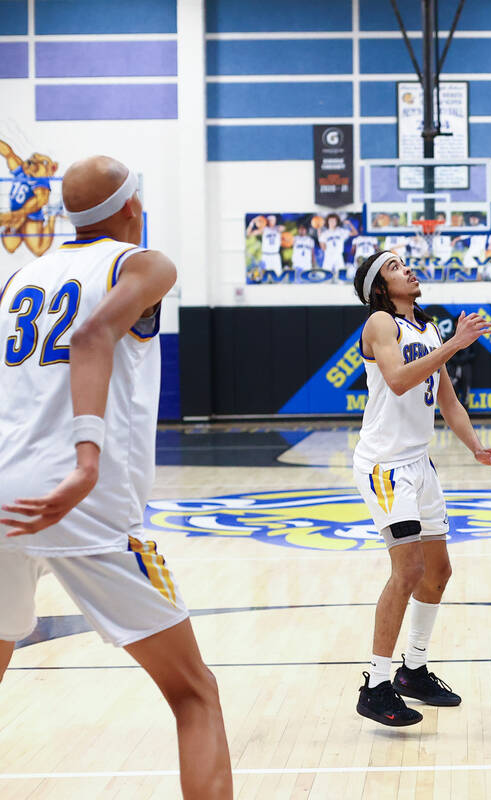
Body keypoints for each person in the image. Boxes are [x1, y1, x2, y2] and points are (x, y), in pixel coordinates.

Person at [0, 156, 232, 798]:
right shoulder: (143, 264)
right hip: (82, 500)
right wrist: (86, 458)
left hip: (3, 491)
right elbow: (93, 333)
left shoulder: (20, 276)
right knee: (194, 694)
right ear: (133, 206)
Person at [351, 250, 491, 726]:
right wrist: (456, 346)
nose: (409, 269)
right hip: (385, 466)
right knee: (409, 569)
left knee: (438, 571)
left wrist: (476, 447)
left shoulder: (429, 328)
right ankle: (376, 685)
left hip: (420, 462)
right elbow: (398, 381)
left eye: (406, 262)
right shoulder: (381, 324)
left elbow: (448, 399)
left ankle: (412, 671)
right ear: (380, 286)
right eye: (397, 266)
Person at [1, 138, 58, 257]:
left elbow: (40, 201)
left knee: (38, 250)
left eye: (36, 163)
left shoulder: (41, 182)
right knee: (10, 247)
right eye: (31, 161)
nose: (31, 164)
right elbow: (8, 153)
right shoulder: (21, 171)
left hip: (31, 218)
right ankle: (17, 226)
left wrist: (14, 216)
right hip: (17, 215)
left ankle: (53, 215)